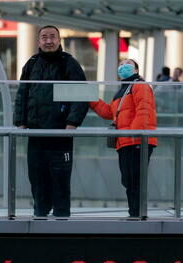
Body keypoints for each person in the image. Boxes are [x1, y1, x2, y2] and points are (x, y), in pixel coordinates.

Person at [14, 25, 88, 218]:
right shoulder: (31, 63)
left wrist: (72, 123)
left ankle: (61, 217)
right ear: (39, 41)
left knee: (60, 178)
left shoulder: (68, 64)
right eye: (44, 37)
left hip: (60, 134)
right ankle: (39, 214)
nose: (48, 41)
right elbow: (22, 94)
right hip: (36, 133)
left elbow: (82, 96)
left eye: (52, 37)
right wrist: (20, 122)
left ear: (59, 40)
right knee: (37, 177)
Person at [89, 59, 157, 218]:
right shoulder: (123, 90)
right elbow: (109, 113)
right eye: (120, 64)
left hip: (136, 140)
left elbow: (144, 111)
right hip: (126, 141)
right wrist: (91, 98)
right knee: (129, 180)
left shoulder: (139, 86)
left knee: (134, 180)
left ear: (136, 69)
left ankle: (138, 214)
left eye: (127, 63)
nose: (122, 66)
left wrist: (133, 135)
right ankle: (134, 213)